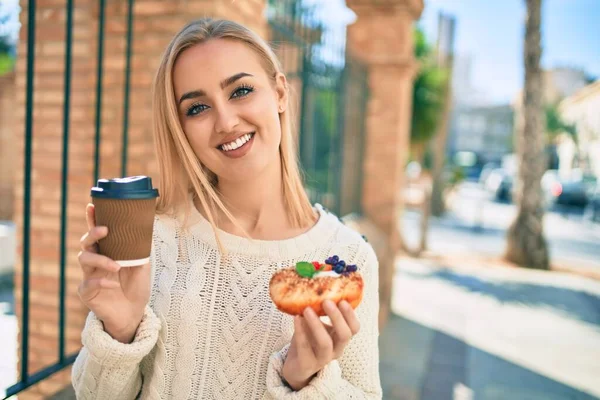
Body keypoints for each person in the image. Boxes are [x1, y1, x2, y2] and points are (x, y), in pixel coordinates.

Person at [72, 18, 381, 399]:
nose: (226, 121)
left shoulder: (349, 257)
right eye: (198, 107)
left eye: (241, 90)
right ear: (180, 127)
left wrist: (303, 380)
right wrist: (120, 332)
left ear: (280, 93)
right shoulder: (156, 242)